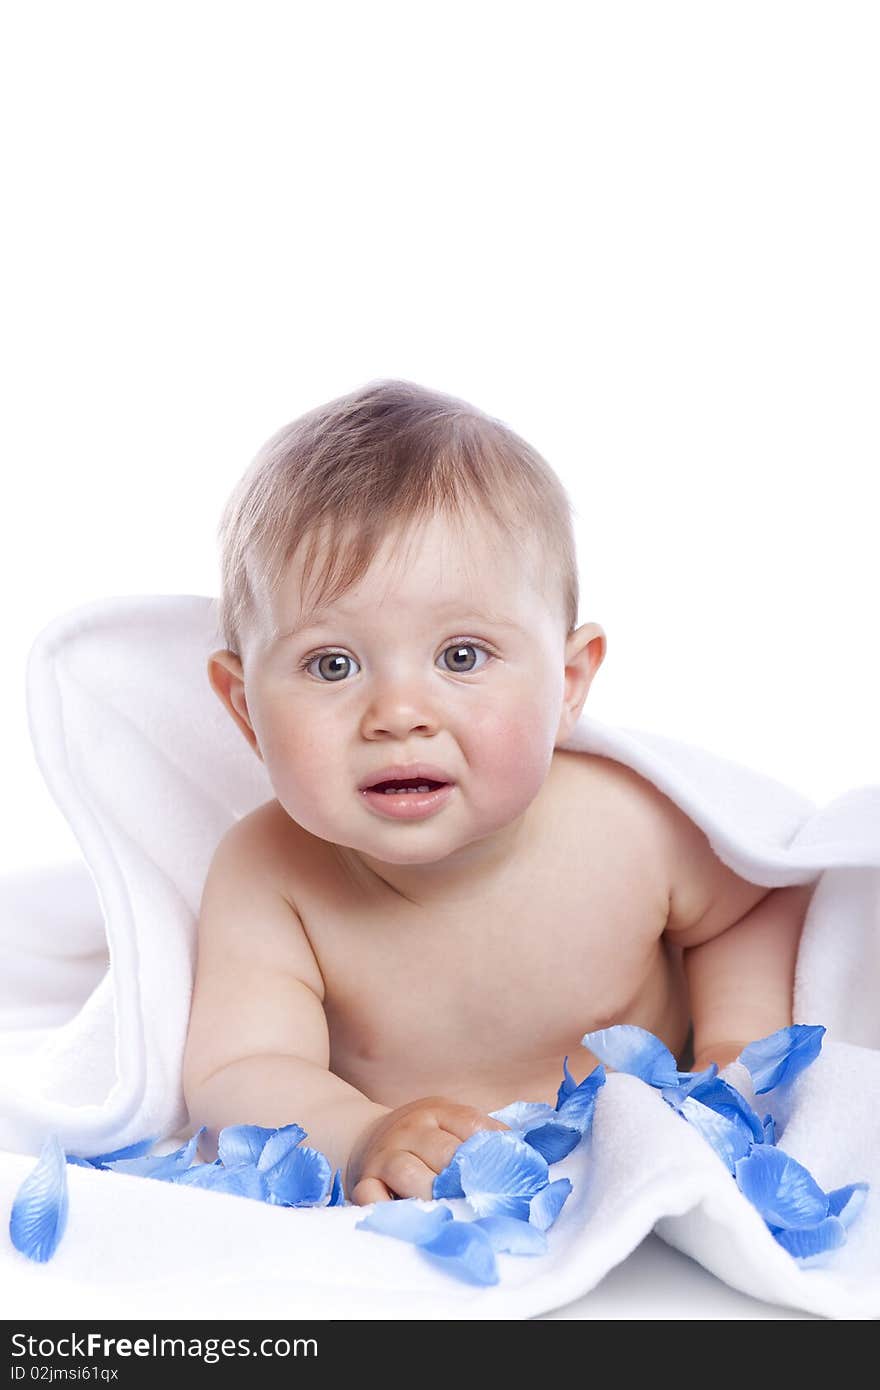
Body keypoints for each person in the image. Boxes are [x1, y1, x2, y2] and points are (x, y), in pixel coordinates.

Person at [182, 378, 815, 1205]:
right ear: (245, 711)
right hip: (457, 1194)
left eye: (462, 656)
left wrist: (737, 1039)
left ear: (570, 681)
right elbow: (240, 1070)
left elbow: (756, 900)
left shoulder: (628, 827)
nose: (399, 714)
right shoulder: (271, 876)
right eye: (332, 664)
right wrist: (361, 1132)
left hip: (644, 1146)